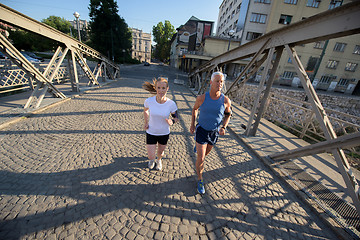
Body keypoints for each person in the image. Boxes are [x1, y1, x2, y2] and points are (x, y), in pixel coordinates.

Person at [190, 72, 232, 194]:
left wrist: (224, 126)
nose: (220, 84)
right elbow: (195, 109)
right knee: (201, 157)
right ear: (211, 82)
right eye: (217, 81)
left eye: (222, 82)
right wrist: (192, 124)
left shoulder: (225, 100)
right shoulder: (202, 98)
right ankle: (200, 179)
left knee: (204, 155)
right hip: (201, 130)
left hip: (214, 133)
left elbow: (228, 114)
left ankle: (198, 149)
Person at [143, 77, 179, 171]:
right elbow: (145, 111)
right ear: (155, 88)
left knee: (160, 153)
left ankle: (159, 160)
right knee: (151, 155)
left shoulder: (171, 104)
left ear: (167, 88)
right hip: (151, 131)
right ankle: (152, 160)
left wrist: (172, 121)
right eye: (159, 88)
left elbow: (176, 117)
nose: (161, 90)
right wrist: (146, 122)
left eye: (163, 88)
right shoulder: (149, 101)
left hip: (164, 133)